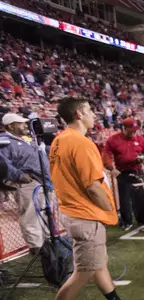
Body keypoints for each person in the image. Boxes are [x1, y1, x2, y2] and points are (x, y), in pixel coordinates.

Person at [50, 97, 120, 300]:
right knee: (84, 272)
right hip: (84, 214)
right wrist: (109, 208)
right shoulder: (81, 142)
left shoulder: (59, 140)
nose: (94, 114)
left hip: (72, 210)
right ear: (78, 114)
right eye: (89, 110)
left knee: (97, 264)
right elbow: (92, 186)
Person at [0, 113, 52, 255]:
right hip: (26, 184)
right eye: (20, 123)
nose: (25, 125)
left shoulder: (27, 138)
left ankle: (48, 243)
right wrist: (19, 175)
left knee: (45, 213)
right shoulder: (4, 141)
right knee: (30, 214)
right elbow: (2, 163)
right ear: (10, 126)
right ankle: (37, 248)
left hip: (42, 181)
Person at [103, 118, 144, 231]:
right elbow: (106, 155)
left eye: (135, 131)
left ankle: (141, 218)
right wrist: (112, 169)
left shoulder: (140, 139)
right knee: (124, 197)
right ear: (123, 129)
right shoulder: (113, 140)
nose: (133, 133)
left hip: (137, 170)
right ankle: (126, 221)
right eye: (131, 131)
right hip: (122, 172)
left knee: (139, 196)